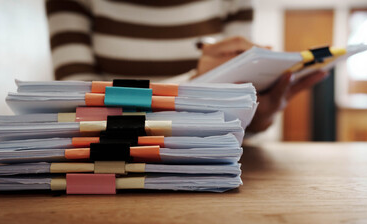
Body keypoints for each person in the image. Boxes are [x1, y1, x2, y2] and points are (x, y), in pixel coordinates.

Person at [45, 0, 326, 133]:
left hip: (209, 164)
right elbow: (76, 109)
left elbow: (239, 126)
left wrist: (260, 113)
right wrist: (196, 83)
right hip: (110, 157)